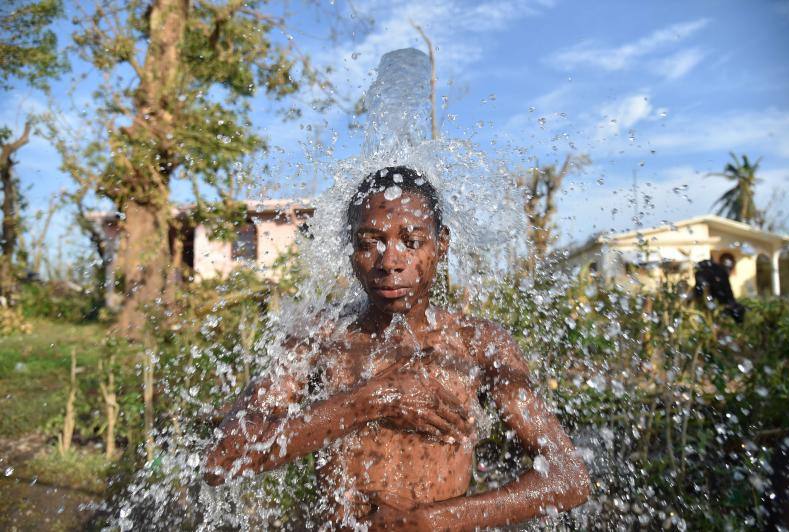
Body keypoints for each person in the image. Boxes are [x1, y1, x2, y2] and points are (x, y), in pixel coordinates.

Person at [203, 166, 590, 529]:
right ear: (351, 252)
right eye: (370, 243)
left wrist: (434, 522)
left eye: (411, 241)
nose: (389, 262)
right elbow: (223, 458)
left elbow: (569, 477)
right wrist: (370, 400)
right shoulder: (319, 339)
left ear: (441, 246)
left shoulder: (476, 344)